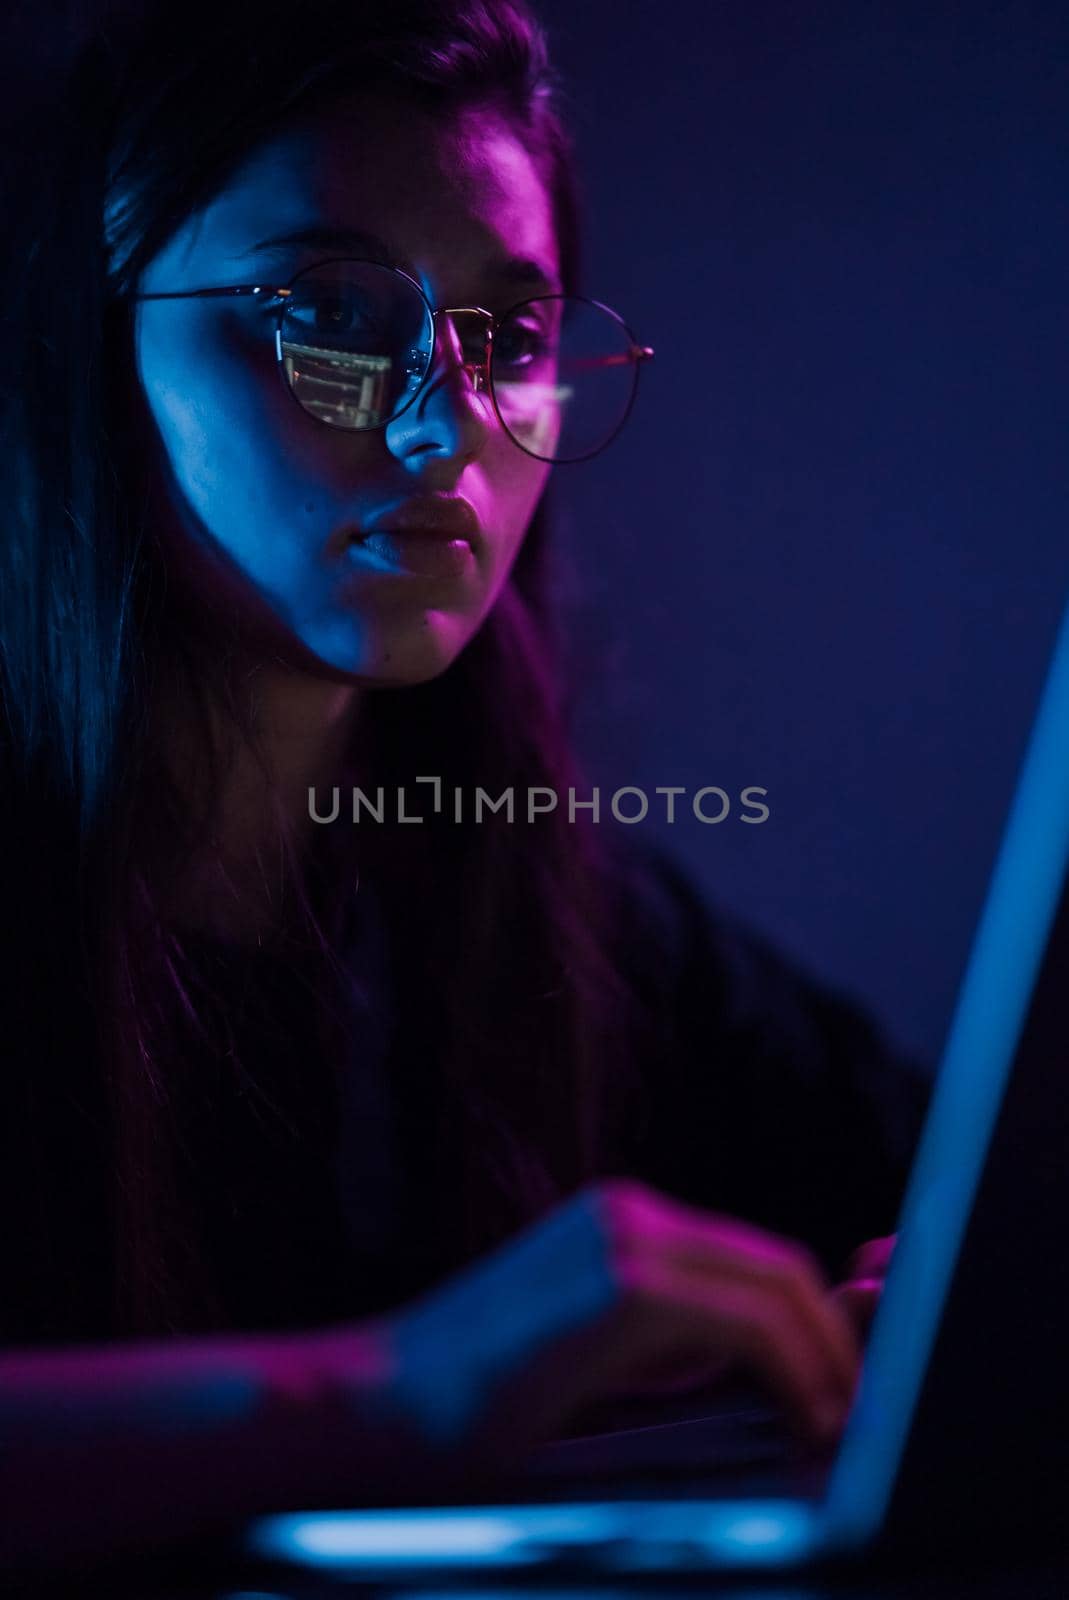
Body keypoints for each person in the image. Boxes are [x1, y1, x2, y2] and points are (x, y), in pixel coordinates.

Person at [0, 0, 932, 1572]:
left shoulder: (560, 917)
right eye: (330, 311)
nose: (450, 422)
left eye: (506, 337)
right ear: (90, 342)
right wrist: (387, 1398)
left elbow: (944, 1182)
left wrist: (916, 1309)